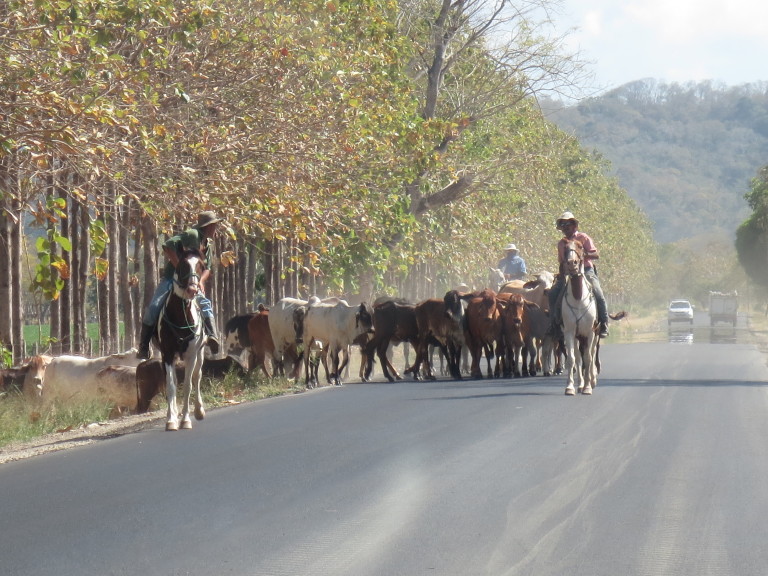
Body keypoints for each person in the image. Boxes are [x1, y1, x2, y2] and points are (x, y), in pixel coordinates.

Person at [136, 211, 222, 359]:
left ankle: (212, 336)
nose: (216, 229)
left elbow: (207, 268)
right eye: (215, 225)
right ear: (208, 226)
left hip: (193, 282)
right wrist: (180, 269)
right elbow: (168, 245)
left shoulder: (207, 244)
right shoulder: (192, 234)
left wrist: (201, 281)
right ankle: (143, 346)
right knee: (154, 307)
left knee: (205, 304)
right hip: (172, 279)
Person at [547, 211, 609, 337]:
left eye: (568, 224)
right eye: (563, 225)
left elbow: (595, 254)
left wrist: (582, 255)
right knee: (553, 294)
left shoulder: (583, 237)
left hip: (586, 270)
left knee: (598, 293)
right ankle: (554, 325)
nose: (565, 227)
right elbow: (561, 261)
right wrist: (562, 274)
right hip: (568, 273)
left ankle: (604, 324)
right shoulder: (561, 243)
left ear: (574, 225)